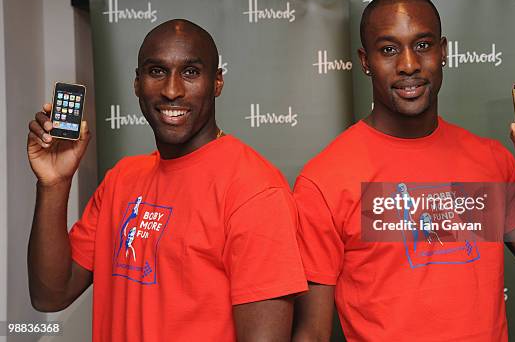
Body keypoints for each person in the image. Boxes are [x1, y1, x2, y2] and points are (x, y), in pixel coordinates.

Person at [291, 0, 515, 341]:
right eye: (389, 49)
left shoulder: (491, 162)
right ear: (364, 61)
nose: (408, 63)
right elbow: (311, 333)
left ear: (443, 52)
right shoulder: (324, 180)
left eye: (422, 45)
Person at [27, 19, 307, 341]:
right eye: (157, 71)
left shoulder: (255, 191)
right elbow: (50, 294)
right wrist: (54, 183)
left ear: (217, 82)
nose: (172, 90)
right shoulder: (121, 179)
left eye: (190, 72)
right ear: (137, 83)